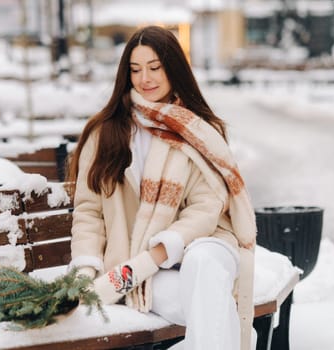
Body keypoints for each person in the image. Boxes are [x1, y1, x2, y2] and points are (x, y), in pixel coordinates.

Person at [67, 26, 257, 350]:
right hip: (143, 274)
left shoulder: (198, 131)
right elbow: (88, 211)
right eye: (136, 69)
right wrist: (86, 268)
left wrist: (160, 251)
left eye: (155, 67)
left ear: (174, 69)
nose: (145, 79)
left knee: (204, 264)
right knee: (215, 312)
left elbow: (206, 206)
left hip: (207, 244)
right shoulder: (106, 133)